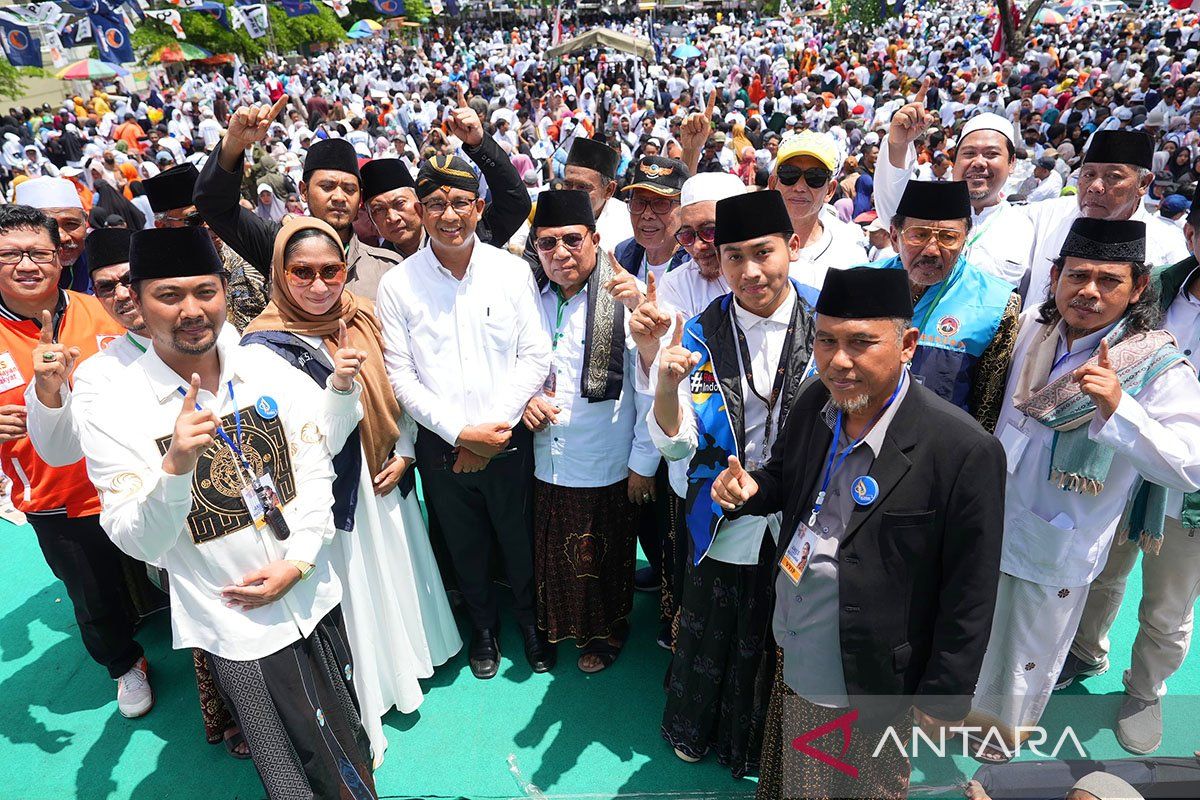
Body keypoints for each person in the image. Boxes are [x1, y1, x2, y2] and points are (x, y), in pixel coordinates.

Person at [79, 225, 376, 799]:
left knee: (348, 733)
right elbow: (135, 540)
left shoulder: (261, 368)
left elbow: (316, 465)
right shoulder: (116, 406)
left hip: (312, 594)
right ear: (137, 303)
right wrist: (176, 470)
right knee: (292, 766)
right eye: (169, 295)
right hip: (236, 623)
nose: (191, 310)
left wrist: (302, 560)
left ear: (224, 291)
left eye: (205, 291)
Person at [711, 265, 1006, 799]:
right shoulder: (813, 403)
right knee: (796, 771)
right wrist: (749, 490)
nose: (839, 361)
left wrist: (944, 693)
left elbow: (971, 589)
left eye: (861, 343)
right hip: (799, 634)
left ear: (908, 343)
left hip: (874, 673)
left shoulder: (963, 450)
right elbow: (784, 477)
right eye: (825, 341)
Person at [967, 219, 1200, 762]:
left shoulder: (1155, 365)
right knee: (978, 627)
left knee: (1027, 649)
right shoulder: (1033, 330)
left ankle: (997, 746)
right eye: (1078, 276)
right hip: (994, 513)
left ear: (1139, 288)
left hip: (1059, 535)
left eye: (1109, 281)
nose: (1089, 292)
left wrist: (1121, 410)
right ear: (1055, 277)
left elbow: (1190, 467)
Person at [242, 215, 461, 764]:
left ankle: (410, 665)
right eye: (302, 272)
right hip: (330, 496)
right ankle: (372, 692)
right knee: (357, 587)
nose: (319, 285)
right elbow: (307, 442)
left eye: (331, 270)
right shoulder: (260, 348)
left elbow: (399, 387)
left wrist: (407, 449)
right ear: (279, 274)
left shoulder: (362, 314)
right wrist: (339, 385)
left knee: (396, 573)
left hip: (382, 471)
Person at [640, 190, 817, 776]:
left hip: (805, 512)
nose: (749, 272)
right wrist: (665, 387)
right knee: (715, 625)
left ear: (791, 247)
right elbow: (678, 443)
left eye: (762, 253)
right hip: (722, 510)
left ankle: (766, 746)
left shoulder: (828, 323)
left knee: (788, 631)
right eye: (734, 256)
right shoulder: (698, 334)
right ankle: (700, 729)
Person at [375, 151, 554, 681]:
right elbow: (400, 376)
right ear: (422, 210)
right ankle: (482, 628)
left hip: (507, 436)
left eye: (459, 202)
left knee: (518, 538)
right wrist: (459, 433)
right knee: (465, 542)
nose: (448, 215)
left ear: (479, 206)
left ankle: (530, 623)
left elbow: (535, 354)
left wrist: (490, 430)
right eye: (435, 204)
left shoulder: (511, 271)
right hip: (440, 444)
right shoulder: (398, 284)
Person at [1056, 201, 1200, 756]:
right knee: (1101, 568)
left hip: (1190, 484)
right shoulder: (1155, 286)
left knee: (1168, 601)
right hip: (1120, 456)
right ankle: (1086, 650)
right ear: (1190, 232)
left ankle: (1145, 689)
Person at [0, 205, 152, 718]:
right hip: (54, 498)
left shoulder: (104, 306)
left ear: (61, 257)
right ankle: (124, 666)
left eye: (39, 252)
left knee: (167, 571)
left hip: (135, 477)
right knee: (93, 598)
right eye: (10, 254)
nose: (27, 264)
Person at [524, 190, 657, 672]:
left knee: (598, 552)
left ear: (596, 240)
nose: (560, 253)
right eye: (547, 243)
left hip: (603, 456)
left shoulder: (626, 298)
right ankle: (561, 624)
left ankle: (606, 631)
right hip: (544, 454)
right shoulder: (530, 298)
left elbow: (648, 387)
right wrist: (525, 400)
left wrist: (642, 463)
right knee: (555, 549)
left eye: (572, 240)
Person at [194, 97, 403, 300]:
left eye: (349, 189)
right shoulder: (277, 244)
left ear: (359, 200)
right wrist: (234, 143)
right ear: (303, 191)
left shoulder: (387, 268)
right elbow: (214, 204)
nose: (339, 197)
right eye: (327, 186)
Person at [869, 179, 1020, 431]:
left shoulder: (997, 304)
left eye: (948, 237)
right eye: (919, 235)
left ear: (964, 241)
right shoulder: (860, 284)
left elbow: (987, 411)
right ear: (895, 236)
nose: (931, 250)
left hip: (938, 452)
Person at [876, 85, 1035, 286]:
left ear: (1012, 163)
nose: (978, 162)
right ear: (955, 160)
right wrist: (898, 145)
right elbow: (891, 209)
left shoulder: (1024, 227)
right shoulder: (930, 206)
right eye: (969, 154)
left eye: (991, 154)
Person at [1024, 130, 1190, 304]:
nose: (1095, 186)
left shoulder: (1168, 247)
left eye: (1113, 176)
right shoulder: (1041, 216)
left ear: (1143, 183)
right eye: (1088, 174)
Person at [143, 163, 267, 332]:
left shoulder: (249, 252)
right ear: (162, 226)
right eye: (195, 219)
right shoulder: (160, 282)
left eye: (212, 214)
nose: (209, 225)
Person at [766, 130, 867, 297]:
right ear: (772, 184)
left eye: (815, 177)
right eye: (789, 174)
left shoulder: (850, 248)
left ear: (830, 190)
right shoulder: (748, 246)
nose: (799, 187)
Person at [614, 155, 692, 281]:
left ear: (684, 209)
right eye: (639, 203)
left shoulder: (696, 263)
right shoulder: (622, 253)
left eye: (661, 204)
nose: (647, 214)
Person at [13, 177, 91, 292]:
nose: (62, 237)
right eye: (48, 226)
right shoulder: (8, 279)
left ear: (85, 223)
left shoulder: (104, 266)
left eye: (71, 224)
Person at [361, 159, 423, 258]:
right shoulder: (377, 268)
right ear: (371, 219)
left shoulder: (449, 243)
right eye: (379, 210)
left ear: (419, 202)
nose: (393, 218)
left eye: (400, 203)